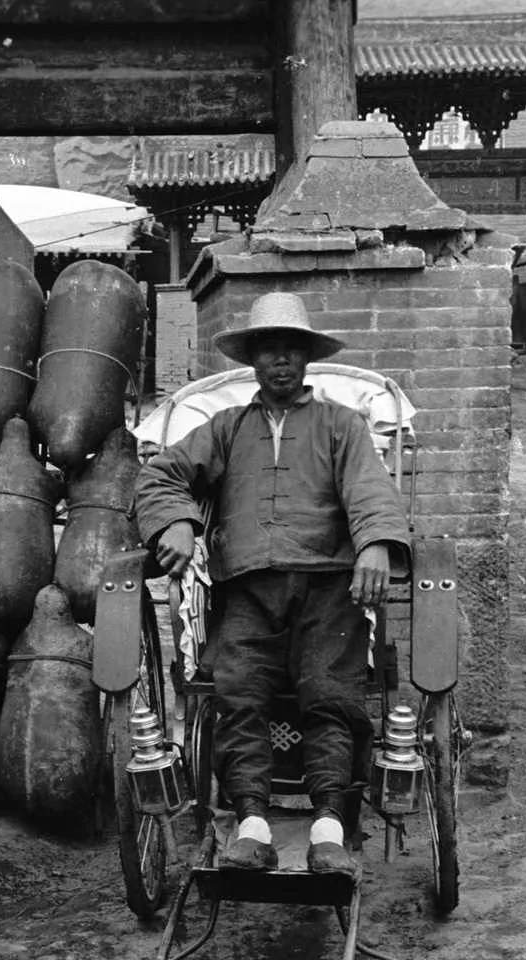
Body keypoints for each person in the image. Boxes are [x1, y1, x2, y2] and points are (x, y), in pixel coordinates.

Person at [134, 292, 411, 875]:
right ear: (253, 361)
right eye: (268, 350)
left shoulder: (341, 425)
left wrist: (375, 543)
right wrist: (178, 521)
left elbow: (369, 488)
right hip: (247, 592)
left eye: (291, 349)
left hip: (328, 588)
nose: (280, 360)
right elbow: (161, 476)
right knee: (238, 695)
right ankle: (251, 825)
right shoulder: (226, 428)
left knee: (331, 697)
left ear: (306, 358)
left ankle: (329, 827)